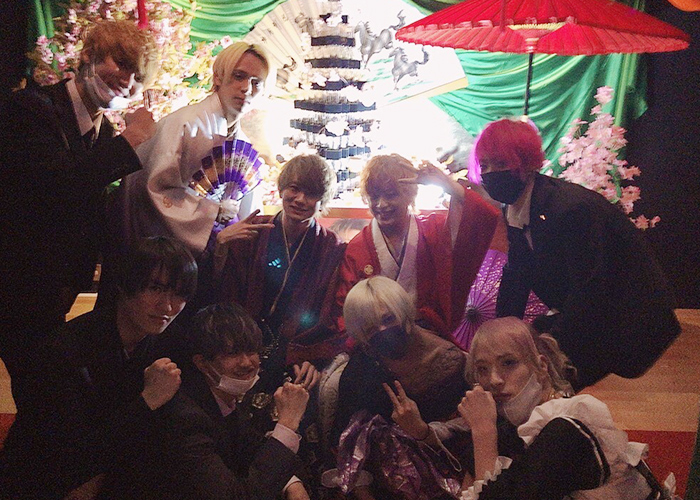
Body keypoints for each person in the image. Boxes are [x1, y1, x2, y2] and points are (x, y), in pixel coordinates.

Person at [0, 19, 158, 411]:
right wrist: (131, 140)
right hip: (15, 285)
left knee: (46, 400)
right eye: (121, 63)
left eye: (138, 76)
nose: (128, 80)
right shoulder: (31, 107)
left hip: (55, 294)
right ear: (87, 55)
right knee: (45, 401)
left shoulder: (103, 135)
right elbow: (57, 186)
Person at [469, 118, 681, 389]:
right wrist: (499, 333)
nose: (490, 174)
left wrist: (553, 343)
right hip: (589, 307)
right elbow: (517, 273)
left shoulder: (570, 209)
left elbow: (591, 287)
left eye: (501, 163)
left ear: (526, 162)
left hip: (628, 317)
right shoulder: (515, 206)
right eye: (484, 165)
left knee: (545, 380)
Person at [0, 236, 197, 500]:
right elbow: (63, 456)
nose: (168, 306)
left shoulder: (167, 341)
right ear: (124, 284)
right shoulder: (65, 351)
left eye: (179, 294)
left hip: (113, 473)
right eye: (155, 288)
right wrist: (148, 400)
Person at [99, 303, 312, 500]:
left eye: (251, 351)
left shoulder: (222, 396)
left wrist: (291, 483)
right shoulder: (186, 418)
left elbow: (249, 450)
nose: (247, 363)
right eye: (232, 353)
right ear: (201, 362)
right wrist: (288, 423)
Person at [456, 317, 661, 500]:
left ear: (541, 366)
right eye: (482, 369)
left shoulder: (567, 428)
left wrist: (483, 432)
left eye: (508, 363)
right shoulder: (514, 426)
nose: (494, 380)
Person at [117, 41, 271, 258]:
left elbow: (247, 211)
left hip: (213, 256)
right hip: (167, 257)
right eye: (239, 76)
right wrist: (212, 213)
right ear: (218, 77)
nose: (247, 88)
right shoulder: (184, 124)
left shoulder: (242, 142)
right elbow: (153, 191)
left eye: (256, 82)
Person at [332, 276, 472, 500]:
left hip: (460, 465)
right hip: (392, 482)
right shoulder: (360, 373)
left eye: (388, 319)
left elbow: (476, 426)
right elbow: (349, 447)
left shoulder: (448, 356)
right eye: (370, 329)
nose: (383, 330)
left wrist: (423, 432)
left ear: (404, 312)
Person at [216, 154, 347, 389]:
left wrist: (312, 358)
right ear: (281, 189)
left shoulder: (331, 247)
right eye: (294, 189)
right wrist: (220, 246)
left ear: (323, 200)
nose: (300, 200)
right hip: (241, 341)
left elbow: (329, 313)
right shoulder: (252, 231)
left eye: (312, 194)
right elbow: (222, 291)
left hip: (295, 351)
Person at [334, 154, 499, 339]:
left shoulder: (434, 231)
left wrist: (447, 184)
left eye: (391, 195)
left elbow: (484, 215)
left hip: (429, 336)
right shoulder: (358, 247)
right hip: (377, 341)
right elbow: (345, 310)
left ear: (410, 194)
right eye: (374, 196)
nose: (381, 204)